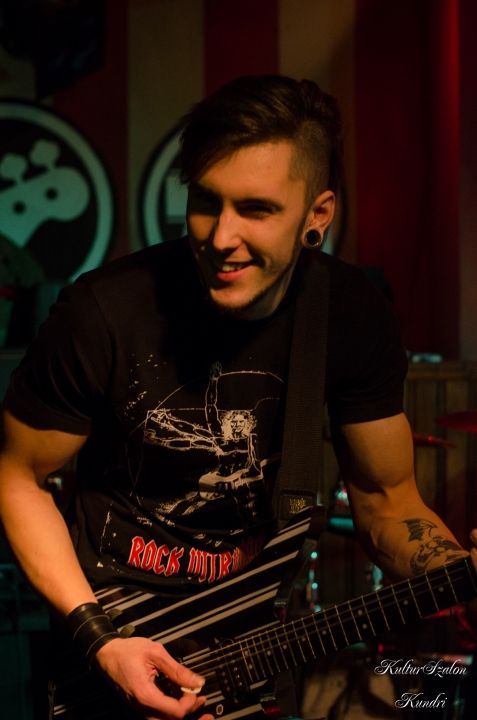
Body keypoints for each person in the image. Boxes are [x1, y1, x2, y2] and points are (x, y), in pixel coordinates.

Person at [0, 75, 475, 720]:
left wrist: (456, 571)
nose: (221, 237)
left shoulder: (350, 318)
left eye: (256, 209)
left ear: (317, 214)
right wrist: (100, 639)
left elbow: (388, 504)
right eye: (205, 201)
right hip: (110, 643)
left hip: (253, 654)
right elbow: (19, 476)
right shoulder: (103, 312)